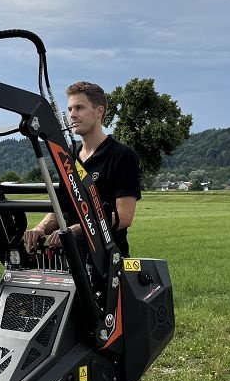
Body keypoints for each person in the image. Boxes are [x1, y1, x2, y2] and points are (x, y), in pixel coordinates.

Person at [22, 81, 142, 256]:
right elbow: (62, 209)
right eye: (70, 109)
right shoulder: (69, 159)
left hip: (107, 262)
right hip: (70, 258)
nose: (72, 115)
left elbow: (124, 217)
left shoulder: (122, 156)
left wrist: (77, 230)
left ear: (99, 111)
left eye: (79, 108)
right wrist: (40, 228)